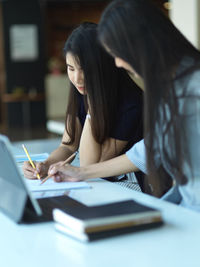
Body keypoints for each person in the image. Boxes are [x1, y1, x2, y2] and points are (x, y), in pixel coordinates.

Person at [48, 0, 200, 212]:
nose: (118, 63)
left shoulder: (190, 89)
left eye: (117, 54)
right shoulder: (170, 87)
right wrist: (80, 173)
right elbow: (147, 151)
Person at [23, 22, 144, 188]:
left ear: (103, 67)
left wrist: (93, 107)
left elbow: (89, 165)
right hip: (98, 184)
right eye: (70, 68)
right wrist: (45, 165)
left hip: (132, 189)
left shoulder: (132, 104)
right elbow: (68, 145)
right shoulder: (82, 90)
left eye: (84, 69)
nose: (77, 78)